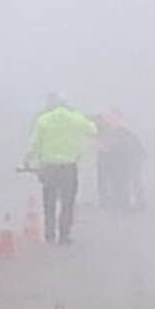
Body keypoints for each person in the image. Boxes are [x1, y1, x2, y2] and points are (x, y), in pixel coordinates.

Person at [25, 93, 98, 245]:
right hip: (68, 167)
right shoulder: (76, 118)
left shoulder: (43, 120)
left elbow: (34, 143)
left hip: (49, 167)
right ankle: (64, 235)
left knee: (49, 200)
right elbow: (93, 130)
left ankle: (49, 233)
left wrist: (27, 160)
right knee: (67, 201)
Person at [97, 110, 146, 213]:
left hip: (129, 160)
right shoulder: (121, 129)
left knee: (127, 180)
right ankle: (124, 202)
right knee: (123, 181)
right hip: (125, 160)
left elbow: (116, 147)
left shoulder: (121, 130)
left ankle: (130, 202)